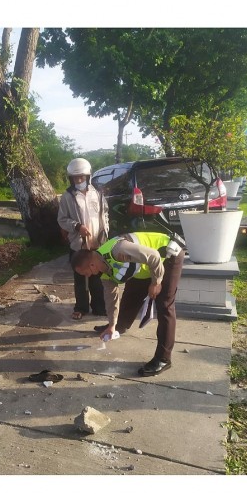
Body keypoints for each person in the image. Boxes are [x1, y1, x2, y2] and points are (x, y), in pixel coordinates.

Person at [71, 232, 185, 376]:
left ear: (92, 265)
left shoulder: (117, 249)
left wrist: (156, 282)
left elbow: (154, 256)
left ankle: (163, 359)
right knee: (131, 294)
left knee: (165, 305)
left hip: (168, 254)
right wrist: (112, 325)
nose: (87, 276)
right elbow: (111, 300)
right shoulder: (105, 273)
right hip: (144, 267)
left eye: (86, 273)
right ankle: (120, 326)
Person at [58, 158, 109, 320]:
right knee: (80, 278)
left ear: (88, 176)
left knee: (97, 278)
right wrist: (77, 226)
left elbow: (105, 214)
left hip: (97, 243)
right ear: (71, 179)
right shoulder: (67, 196)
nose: (78, 180)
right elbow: (62, 219)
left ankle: (99, 307)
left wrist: (104, 232)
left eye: (81, 177)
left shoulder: (98, 193)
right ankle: (81, 307)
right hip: (79, 245)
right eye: (75, 178)